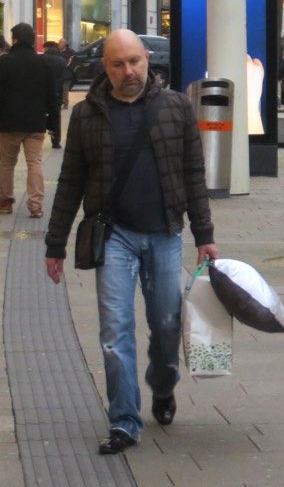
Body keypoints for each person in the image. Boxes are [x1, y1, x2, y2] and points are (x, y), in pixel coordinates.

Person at [44, 29, 217, 455]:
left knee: (166, 324)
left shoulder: (175, 107)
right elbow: (70, 181)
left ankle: (163, 384)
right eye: (118, 64)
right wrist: (55, 244)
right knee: (114, 329)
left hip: (164, 233)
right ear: (105, 67)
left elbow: (194, 174)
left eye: (135, 62)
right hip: (114, 236)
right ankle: (124, 420)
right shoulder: (87, 114)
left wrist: (205, 235)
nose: (129, 71)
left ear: (147, 61)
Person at [0, 24, 59, 217]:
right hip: (35, 122)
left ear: (15, 39)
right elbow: (53, 96)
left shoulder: (4, 62)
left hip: (8, 123)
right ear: (33, 40)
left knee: (6, 163)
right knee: (35, 162)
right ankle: (35, 206)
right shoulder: (44, 63)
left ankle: (5, 202)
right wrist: (53, 123)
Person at [41, 40, 70, 147]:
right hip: (57, 93)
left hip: (43, 93)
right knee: (56, 116)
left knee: (41, 114)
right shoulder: (62, 60)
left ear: (46, 48)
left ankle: (38, 138)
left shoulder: (41, 59)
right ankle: (56, 141)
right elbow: (65, 78)